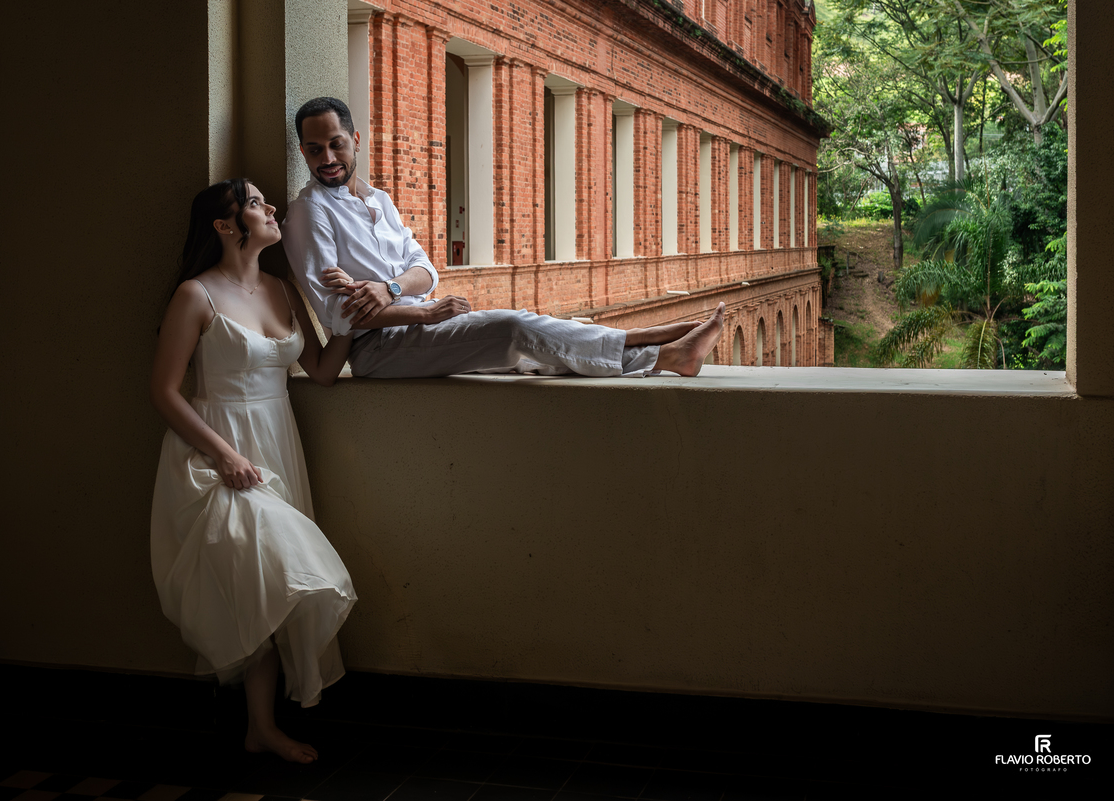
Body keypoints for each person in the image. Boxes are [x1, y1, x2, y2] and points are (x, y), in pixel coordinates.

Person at [282, 96, 725, 379]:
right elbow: (341, 319)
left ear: (355, 140)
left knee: (533, 353)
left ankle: (665, 357)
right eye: (315, 149)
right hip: (381, 349)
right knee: (513, 327)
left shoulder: (380, 200)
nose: (328, 158)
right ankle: (640, 338)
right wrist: (423, 313)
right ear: (303, 151)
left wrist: (389, 287)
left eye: (336, 144)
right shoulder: (309, 212)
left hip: (416, 326)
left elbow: (426, 271)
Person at [150, 178, 356, 764]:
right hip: (219, 450)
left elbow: (316, 371)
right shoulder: (196, 294)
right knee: (256, 579)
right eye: (258, 202)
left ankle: (259, 727)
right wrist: (225, 454)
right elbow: (164, 392)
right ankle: (260, 725)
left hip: (278, 438)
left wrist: (354, 317)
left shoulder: (281, 288)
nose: (272, 209)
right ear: (224, 224)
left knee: (270, 583)